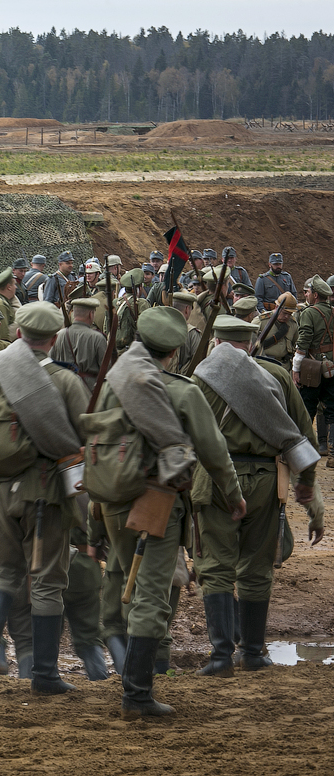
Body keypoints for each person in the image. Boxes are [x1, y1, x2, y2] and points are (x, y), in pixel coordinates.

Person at [88, 306, 244, 719]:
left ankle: (131, 678)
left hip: (109, 499)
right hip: (154, 503)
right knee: (152, 599)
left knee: (129, 585)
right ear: (174, 352)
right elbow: (214, 453)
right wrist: (233, 496)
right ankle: (137, 695)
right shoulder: (180, 390)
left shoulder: (114, 379)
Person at [0, 302, 89, 693]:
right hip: (43, 493)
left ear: (16, 334)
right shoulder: (64, 381)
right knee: (46, 581)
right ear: (56, 339)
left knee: (2, 572)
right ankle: (45, 675)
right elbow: (81, 440)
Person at [192, 315, 320, 678]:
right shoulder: (276, 376)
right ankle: (252, 653)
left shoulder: (199, 377)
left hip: (214, 478)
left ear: (217, 342)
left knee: (216, 566)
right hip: (266, 479)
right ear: (250, 343)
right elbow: (302, 436)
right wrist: (306, 482)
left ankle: (219, 657)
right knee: (257, 566)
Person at [293, 275, 334, 462]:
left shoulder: (308, 313)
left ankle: (303, 454)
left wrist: (296, 368)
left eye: (307, 292)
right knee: (332, 410)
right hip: (332, 367)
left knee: (306, 410)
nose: (305, 295)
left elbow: (303, 343)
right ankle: (333, 454)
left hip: (311, 368)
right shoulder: (333, 311)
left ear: (315, 295)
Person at [51, 296, 107, 394]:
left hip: (64, 387)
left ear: (73, 314)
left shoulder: (59, 335)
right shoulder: (97, 338)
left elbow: (51, 362)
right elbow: (106, 369)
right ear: (91, 314)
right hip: (89, 390)